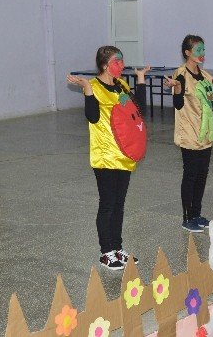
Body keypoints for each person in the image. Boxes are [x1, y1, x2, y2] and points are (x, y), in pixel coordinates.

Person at [66, 46, 149, 270]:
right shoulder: (94, 86)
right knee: (108, 204)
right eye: (116, 62)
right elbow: (92, 117)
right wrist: (87, 89)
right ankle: (106, 252)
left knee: (119, 204)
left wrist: (141, 80)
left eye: (122, 61)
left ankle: (117, 247)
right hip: (105, 156)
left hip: (124, 154)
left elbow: (139, 110)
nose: (121, 65)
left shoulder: (122, 85)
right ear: (104, 65)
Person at [164, 35, 213, 233]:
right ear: (187, 52)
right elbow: (178, 104)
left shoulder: (205, 75)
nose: (202, 53)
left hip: (205, 133)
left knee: (202, 174)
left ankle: (196, 214)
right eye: (198, 50)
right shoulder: (181, 74)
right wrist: (177, 88)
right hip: (189, 132)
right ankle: (187, 218)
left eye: (203, 50)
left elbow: (212, 97)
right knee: (190, 174)